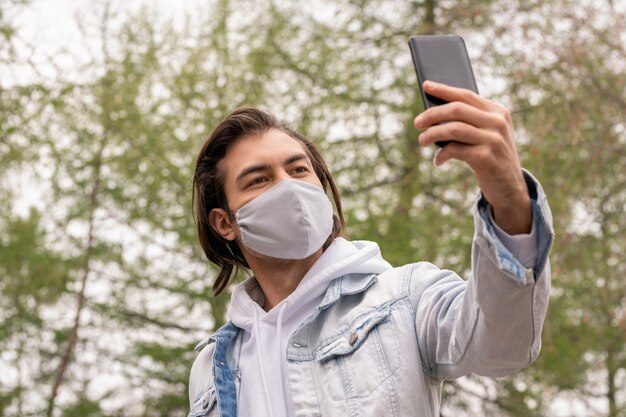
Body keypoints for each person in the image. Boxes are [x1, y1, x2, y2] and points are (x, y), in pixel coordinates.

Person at [188, 81, 554, 417]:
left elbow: (502, 345)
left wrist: (509, 200)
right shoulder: (209, 366)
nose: (288, 188)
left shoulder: (406, 298)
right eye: (259, 179)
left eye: (298, 170)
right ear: (225, 223)